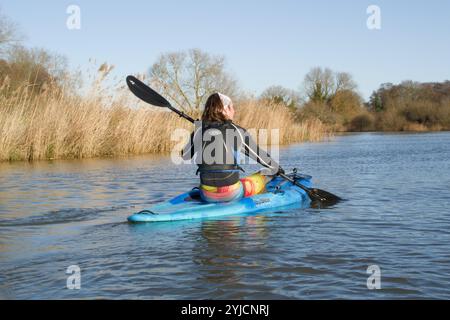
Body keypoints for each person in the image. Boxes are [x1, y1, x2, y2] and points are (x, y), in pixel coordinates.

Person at [182, 92, 284, 203]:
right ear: (224, 110)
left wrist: (196, 132)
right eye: (231, 107)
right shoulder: (237, 131)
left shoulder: (198, 130)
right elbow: (259, 156)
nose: (234, 111)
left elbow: (185, 155)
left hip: (206, 195)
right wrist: (277, 168)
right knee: (264, 173)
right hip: (232, 194)